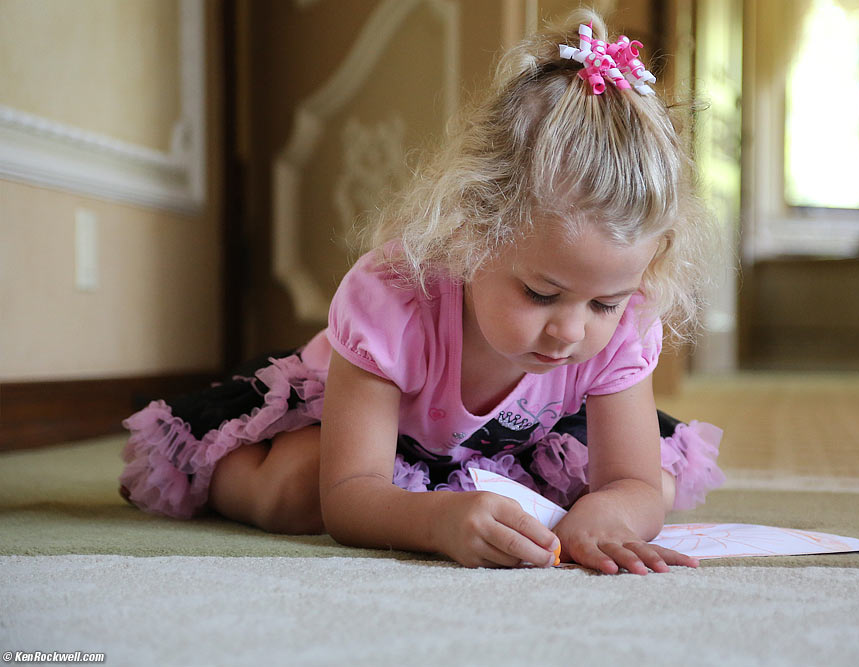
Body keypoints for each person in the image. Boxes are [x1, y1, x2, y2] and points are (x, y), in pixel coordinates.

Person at [119, 10, 725, 575]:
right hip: (358, 427)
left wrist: (609, 512)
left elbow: (633, 483)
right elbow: (349, 497)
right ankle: (217, 467)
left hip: (519, 441)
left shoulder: (626, 321)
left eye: (604, 304)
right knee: (297, 492)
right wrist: (436, 522)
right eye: (542, 294)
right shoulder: (392, 301)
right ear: (470, 232)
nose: (570, 331)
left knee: (654, 487)